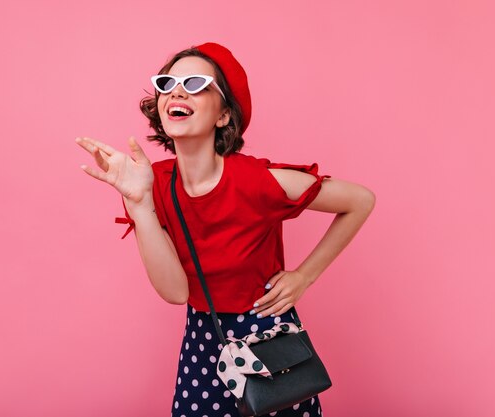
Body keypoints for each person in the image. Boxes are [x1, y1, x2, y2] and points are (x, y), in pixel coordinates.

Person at [75, 42, 375, 417]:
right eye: (168, 84)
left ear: (223, 116)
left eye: (196, 83)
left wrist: (304, 276)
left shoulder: (257, 181)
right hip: (204, 341)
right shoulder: (147, 184)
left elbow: (359, 200)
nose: (178, 91)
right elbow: (174, 291)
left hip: (269, 339)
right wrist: (139, 203)